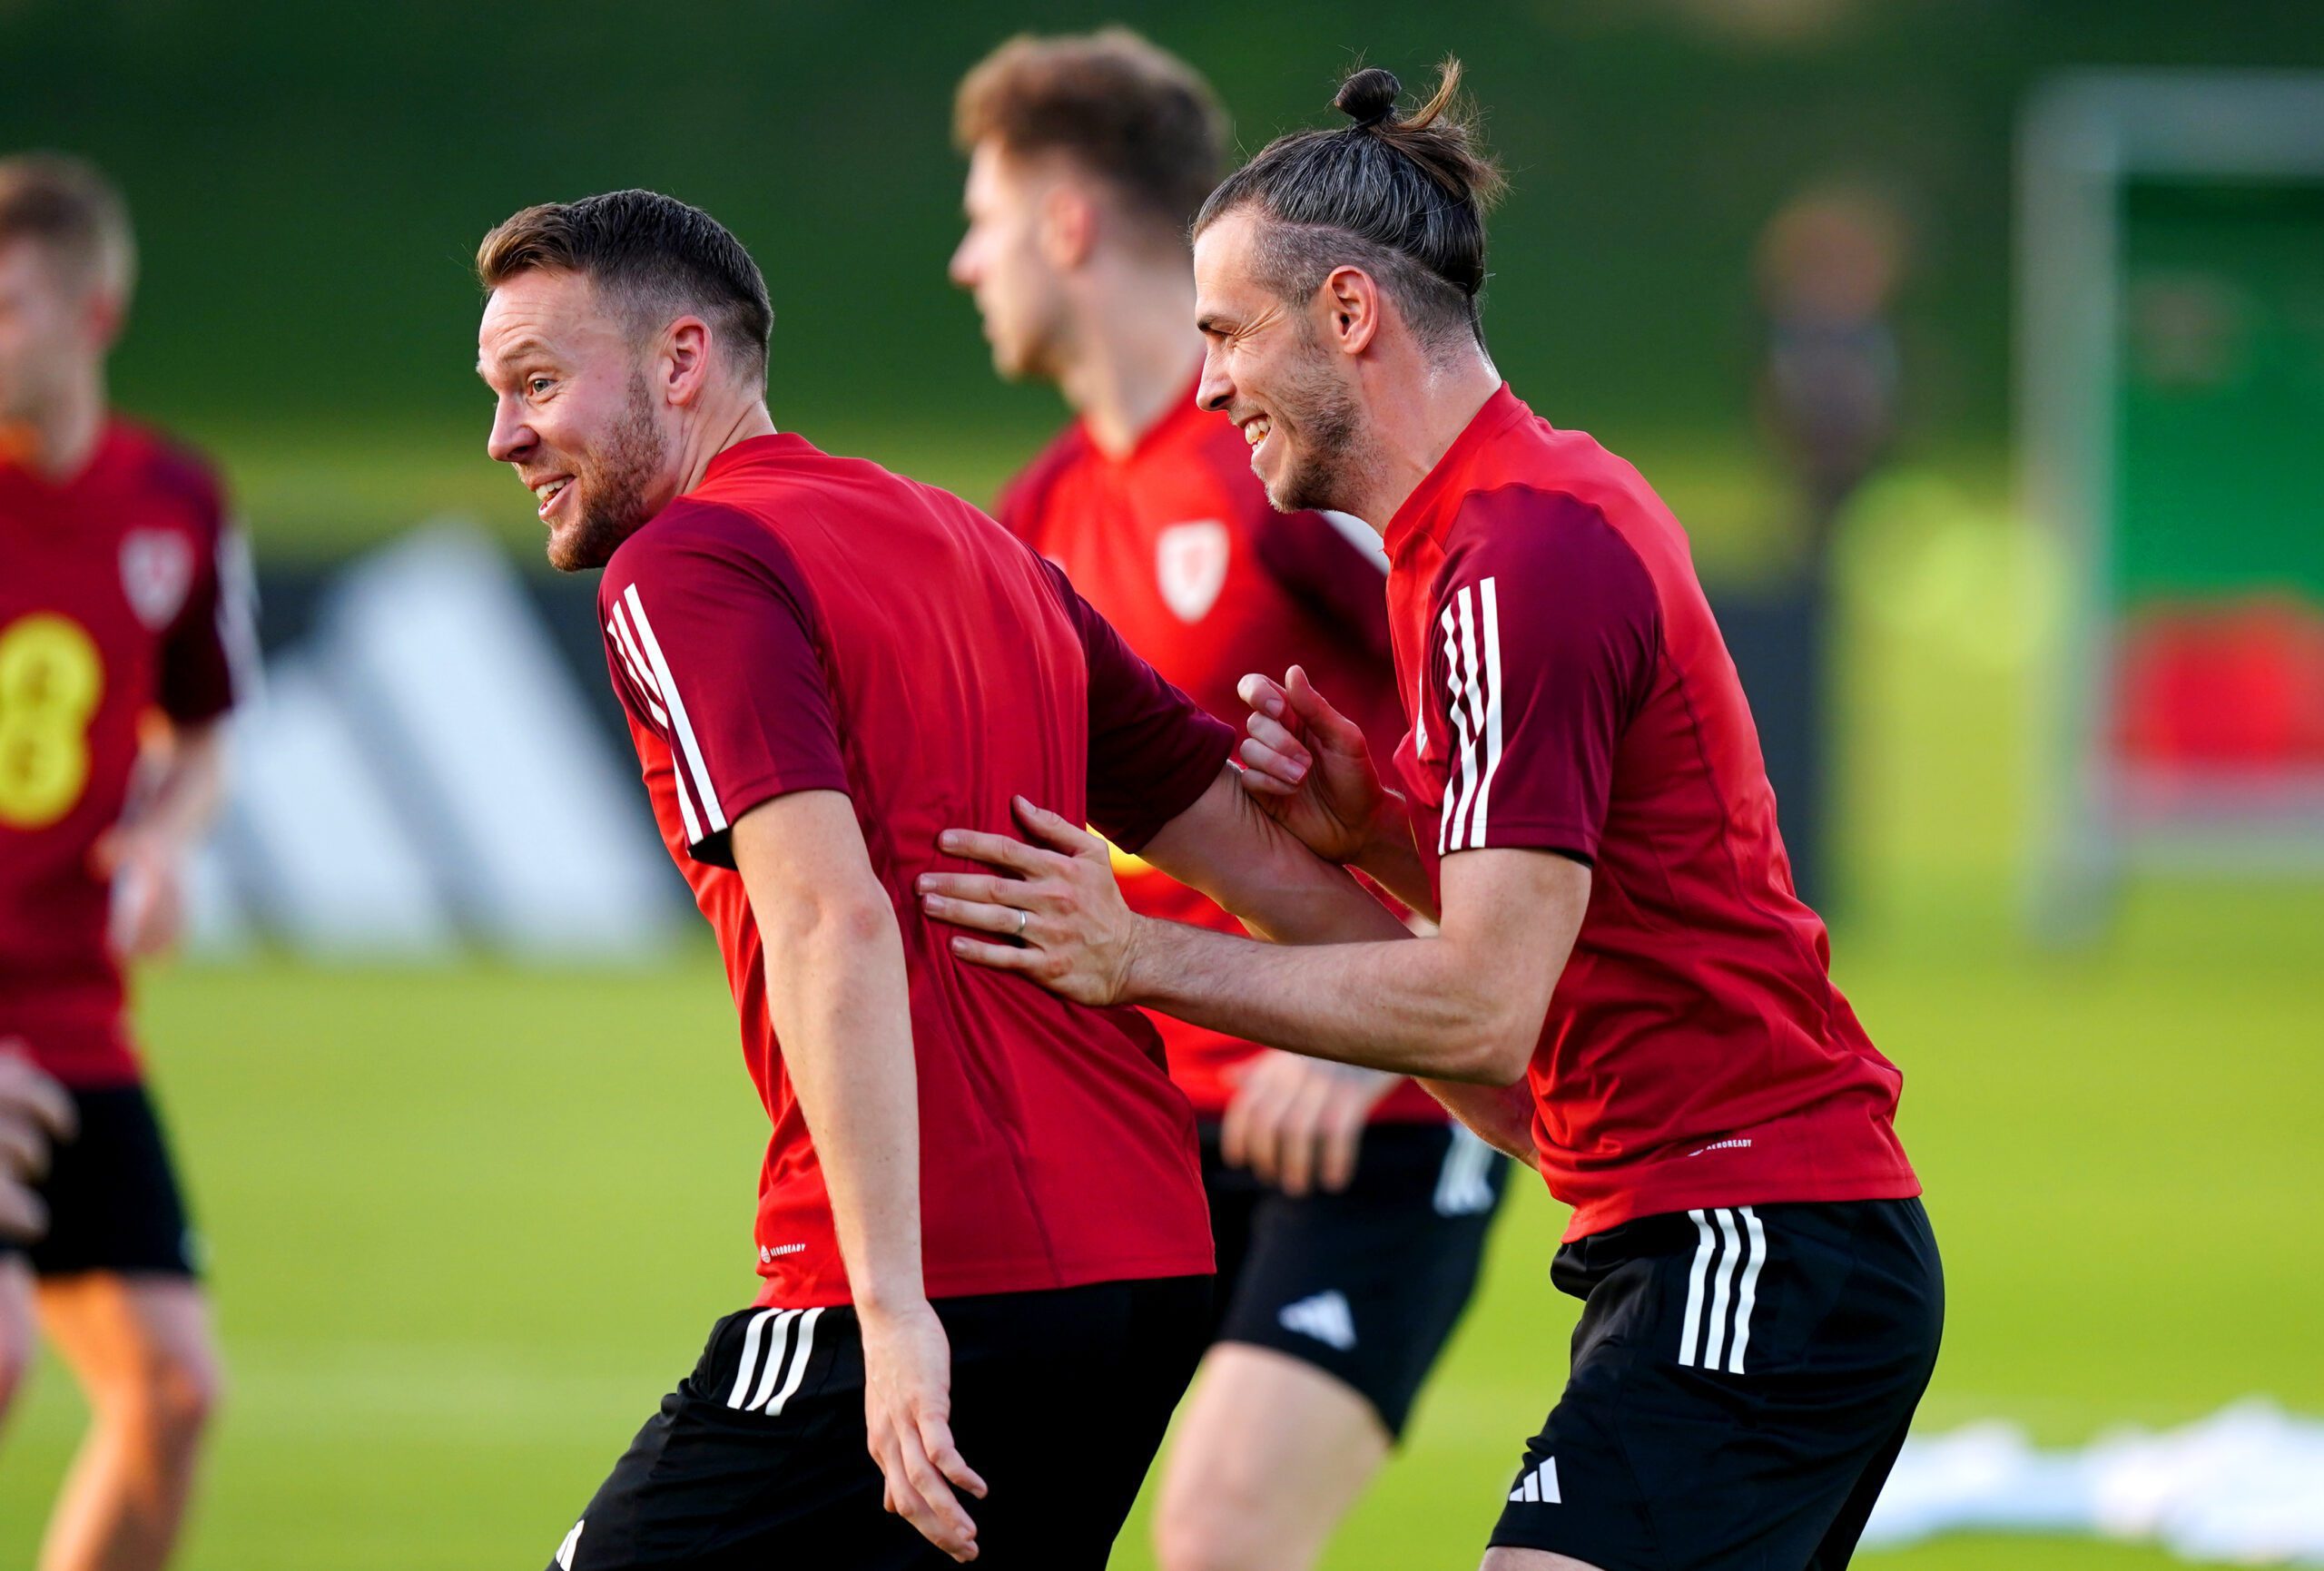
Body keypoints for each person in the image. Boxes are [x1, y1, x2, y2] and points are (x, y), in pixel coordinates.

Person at [921, 63, 1943, 1571]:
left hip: (1756, 1227)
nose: (1207, 387)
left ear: (1348, 313)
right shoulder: (1470, 534)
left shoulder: (1520, 551)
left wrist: (1131, 953)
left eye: (1229, 334)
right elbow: (1596, 897)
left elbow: (1479, 1007)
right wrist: (1386, 834)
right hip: (1711, 1231)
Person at [475, 189, 1423, 1570]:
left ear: (682, 361)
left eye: (539, 384)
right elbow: (1266, 862)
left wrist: (890, 1309)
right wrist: (1507, 1065)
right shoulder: (981, 544)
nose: (504, 435)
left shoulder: (685, 564)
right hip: (1145, 1271)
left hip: (939, 1275)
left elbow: (830, 919)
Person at [948, 31, 1505, 1570]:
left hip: (1367, 1113)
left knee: (1220, 1534)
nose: (964, 263)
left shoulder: (1288, 466)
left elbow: (1502, 720)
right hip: (1155, 1118)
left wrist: (1386, 1008)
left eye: (983, 221)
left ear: (1067, 222)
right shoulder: (1043, 510)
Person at [0, 153, 246, 1571]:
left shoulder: (174, 502)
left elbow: (202, 729)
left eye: (9, 306)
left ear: (94, 314)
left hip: (74, 1014)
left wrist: (163, 836)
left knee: (171, 1393)